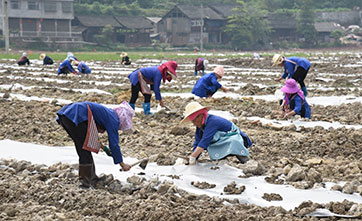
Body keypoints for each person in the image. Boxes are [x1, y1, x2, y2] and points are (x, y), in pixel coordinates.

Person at [56, 101, 134, 188]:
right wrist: (122, 164)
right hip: (76, 114)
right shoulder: (114, 119)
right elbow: (114, 144)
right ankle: (86, 182)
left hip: (67, 114)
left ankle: (91, 178)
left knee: (82, 147)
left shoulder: (108, 113)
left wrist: (105, 148)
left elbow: (92, 131)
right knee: (84, 149)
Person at [180, 102, 252, 165]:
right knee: (210, 146)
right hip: (222, 140)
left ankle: (246, 161)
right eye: (193, 122)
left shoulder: (212, 121)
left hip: (235, 138)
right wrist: (194, 158)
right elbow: (197, 142)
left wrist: (193, 156)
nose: (195, 123)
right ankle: (221, 160)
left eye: (195, 120)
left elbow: (205, 141)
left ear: (201, 116)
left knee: (234, 142)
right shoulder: (200, 126)